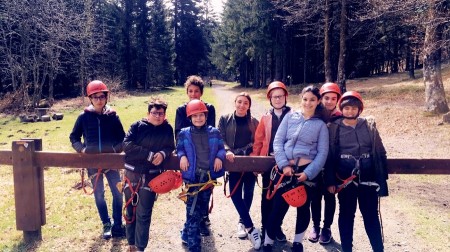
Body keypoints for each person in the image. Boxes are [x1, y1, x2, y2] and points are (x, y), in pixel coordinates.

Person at [262, 85, 329, 252]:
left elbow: (322, 153)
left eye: (312, 99)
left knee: (303, 207)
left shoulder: (321, 125)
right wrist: (284, 165)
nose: (308, 103)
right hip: (285, 170)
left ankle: (298, 242)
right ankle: (268, 243)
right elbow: (278, 142)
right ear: (301, 99)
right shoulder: (290, 117)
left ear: (318, 101)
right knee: (277, 207)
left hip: (306, 172)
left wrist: (308, 173)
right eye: (305, 99)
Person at [324, 91, 388, 252]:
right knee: (346, 215)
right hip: (345, 180)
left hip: (369, 179)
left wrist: (382, 179)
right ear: (341, 109)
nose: (350, 112)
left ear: (360, 109)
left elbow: (380, 152)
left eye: (354, 108)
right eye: (346, 108)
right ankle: (347, 249)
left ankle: (378, 249)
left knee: (371, 216)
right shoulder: (333, 128)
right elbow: (329, 156)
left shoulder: (369, 126)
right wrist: (330, 181)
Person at [69, 80, 126, 239]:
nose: (99, 100)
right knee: (99, 194)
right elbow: (74, 137)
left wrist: (115, 150)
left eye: (102, 96)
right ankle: (106, 223)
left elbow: (123, 139)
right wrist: (82, 149)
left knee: (118, 192)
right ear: (90, 98)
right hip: (93, 165)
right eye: (95, 97)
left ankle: (117, 224)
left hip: (111, 163)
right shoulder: (83, 117)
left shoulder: (113, 116)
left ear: (106, 97)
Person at [122, 98, 175, 252]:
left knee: (144, 213)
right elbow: (127, 145)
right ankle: (130, 244)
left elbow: (169, 146)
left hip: (152, 176)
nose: (157, 116)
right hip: (131, 174)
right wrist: (149, 155)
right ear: (148, 113)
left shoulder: (166, 129)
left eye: (160, 113)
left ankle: (140, 248)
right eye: (154, 113)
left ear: (164, 114)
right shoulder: (137, 126)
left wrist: (163, 154)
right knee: (130, 211)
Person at [177, 99, 226, 252]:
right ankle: (194, 246)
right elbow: (179, 149)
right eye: (195, 116)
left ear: (206, 116)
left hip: (207, 179)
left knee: (201, 211)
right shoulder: (184, 134)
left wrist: (219, 156)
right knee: (192, 212)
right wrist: (182, 156)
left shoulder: (214, 132)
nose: (198, 118)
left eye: (201, 115)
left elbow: (221, 148)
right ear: (190, 118)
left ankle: (186, 233)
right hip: (192, 179)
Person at [218, 92, 261, 249]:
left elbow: (258, 141)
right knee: (235, 193)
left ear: (249, 105)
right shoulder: (224, 119)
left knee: (248, 192)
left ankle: (242, 222)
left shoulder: (254, 122)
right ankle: (250, 226)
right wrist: (227, 150)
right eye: (239, 102)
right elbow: (219, 138)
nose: (242, 105)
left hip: (249, 162)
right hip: (233, 161)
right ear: (235, 102)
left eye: (245, 103)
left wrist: (255, 160)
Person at [250, 81, 292, 243]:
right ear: (270, 99)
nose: (278, 99)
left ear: (285, 97)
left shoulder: (293, 116)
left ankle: (276, 226)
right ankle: (265, 226)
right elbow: (258, 141)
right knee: (266, 196)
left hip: (287, 163)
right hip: (269, 162)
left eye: (280, 96)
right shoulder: (265, 118)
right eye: (274, 97)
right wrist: (257, 162)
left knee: (283, 197)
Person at [174, 75, 216, 235]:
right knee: (191, 190)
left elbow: (211, 130)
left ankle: (203, 219)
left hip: (205, 155)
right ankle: (191, 224)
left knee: (206, 188)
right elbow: (178, 133)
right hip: (189, 156)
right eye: (190, 91)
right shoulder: (181, 110)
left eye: (196, 91)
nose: (193, 94)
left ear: (201, 92)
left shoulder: (209, 108)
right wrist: (184, 152)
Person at [308, 82, 342, 244]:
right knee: (314, 196)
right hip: (315, 162)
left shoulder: (342, 118)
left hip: (333, 164)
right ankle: (315, 225)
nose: (329, 101)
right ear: (321, 99)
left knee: (329, 196)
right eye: (326, 98)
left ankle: (327, 227)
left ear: (337, 100)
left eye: (333, 98)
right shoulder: (314, 115)